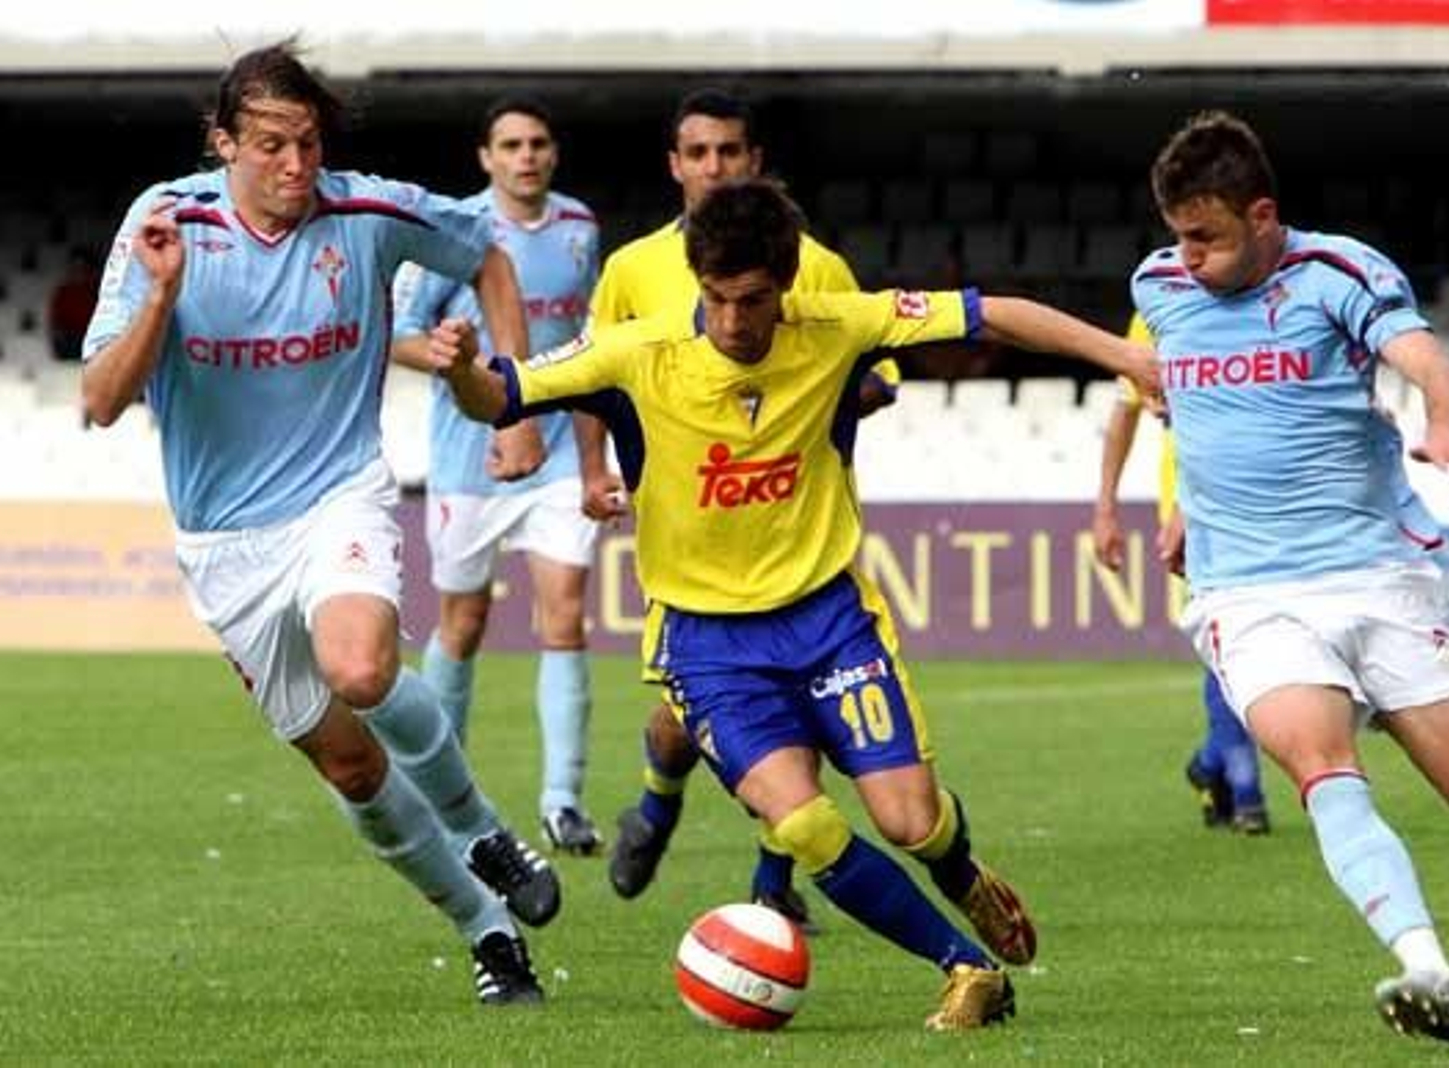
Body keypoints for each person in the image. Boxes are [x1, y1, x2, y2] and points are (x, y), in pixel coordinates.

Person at [430, 176, 1158, 1030]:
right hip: (707, 645)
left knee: (909, 821)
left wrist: (1126, 357)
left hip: (828, 620)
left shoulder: (835, 324)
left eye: (754, 301)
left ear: (785, 286)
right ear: (696, 280)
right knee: (805, 824)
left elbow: (992, 312)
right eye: (717, 299)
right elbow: (501, 395)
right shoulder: (636, 349)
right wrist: (462, 373)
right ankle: (967, 968)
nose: (735, 321)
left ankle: (959, 871)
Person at [79, 41, 560, 1008]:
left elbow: (491, 255)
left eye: (308, 143)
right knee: (347, 763)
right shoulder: (165, 224)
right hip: (223, 542)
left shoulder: (369, 211)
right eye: (271, 146)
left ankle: (479, 828)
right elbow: (99, 398)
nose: (297, 168)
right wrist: (163, 297)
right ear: (223, 143)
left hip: (338, 492)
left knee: (362, 668)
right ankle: (484, 927)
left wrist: (519, 399)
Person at [1132, 110, 1449, 1049]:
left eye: (1207, 236)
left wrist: (1445, 421)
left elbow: (1425, 359)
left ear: (1263, 214)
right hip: (1250, 594)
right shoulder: (1157, 285)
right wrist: (1191, 506)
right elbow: (1193, 404)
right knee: (1320, 765)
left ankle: (1392, 702)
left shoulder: (1338, 272)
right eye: (1177, 234)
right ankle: (1428, 966)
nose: (1185, 257)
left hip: (1373, 573)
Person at [589, 88, 899, 929]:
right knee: (679, 721)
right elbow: (592, 380)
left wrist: (814, 391)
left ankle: (774, 880)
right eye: (699, 153)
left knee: (804, 703)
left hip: (797, 536)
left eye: (730, 152)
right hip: (688, 536)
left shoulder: (817, 265)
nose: (715, 167)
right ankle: (657, 801)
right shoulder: (631, 271)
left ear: (754, 162)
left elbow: (877, 376)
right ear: (675, 165)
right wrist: (593, 472)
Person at [392, 97, 607, 856]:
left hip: (552, 455)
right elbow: (398, 337)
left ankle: (563, 802)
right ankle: (441, 794)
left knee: (564, 613)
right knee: (464, 622)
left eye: (538, 143)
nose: (526, 156)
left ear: (554, 153)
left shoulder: (581, 230)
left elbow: (590, 346)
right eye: (510, 144)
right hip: (468, 461)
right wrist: (453, 361)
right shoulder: (456, 232)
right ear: (485, 157)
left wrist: (592, 460)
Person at [1093, 313, 1270, 835]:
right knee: (1228, 641)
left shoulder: (1276, 297)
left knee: (1262, 649)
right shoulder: (1159, 308)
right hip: (1194, 500)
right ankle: (1246, 792)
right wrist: (1106, 506)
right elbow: (1126, 408)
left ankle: (1210, 763)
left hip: (1271, 493)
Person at [48, 245, 101, 362]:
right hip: (70, 342)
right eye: (75, 267)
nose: (78, 271)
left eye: (82, 267)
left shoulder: (97, 292)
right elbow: (56, 323)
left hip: (93, 341)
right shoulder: (63, 292)